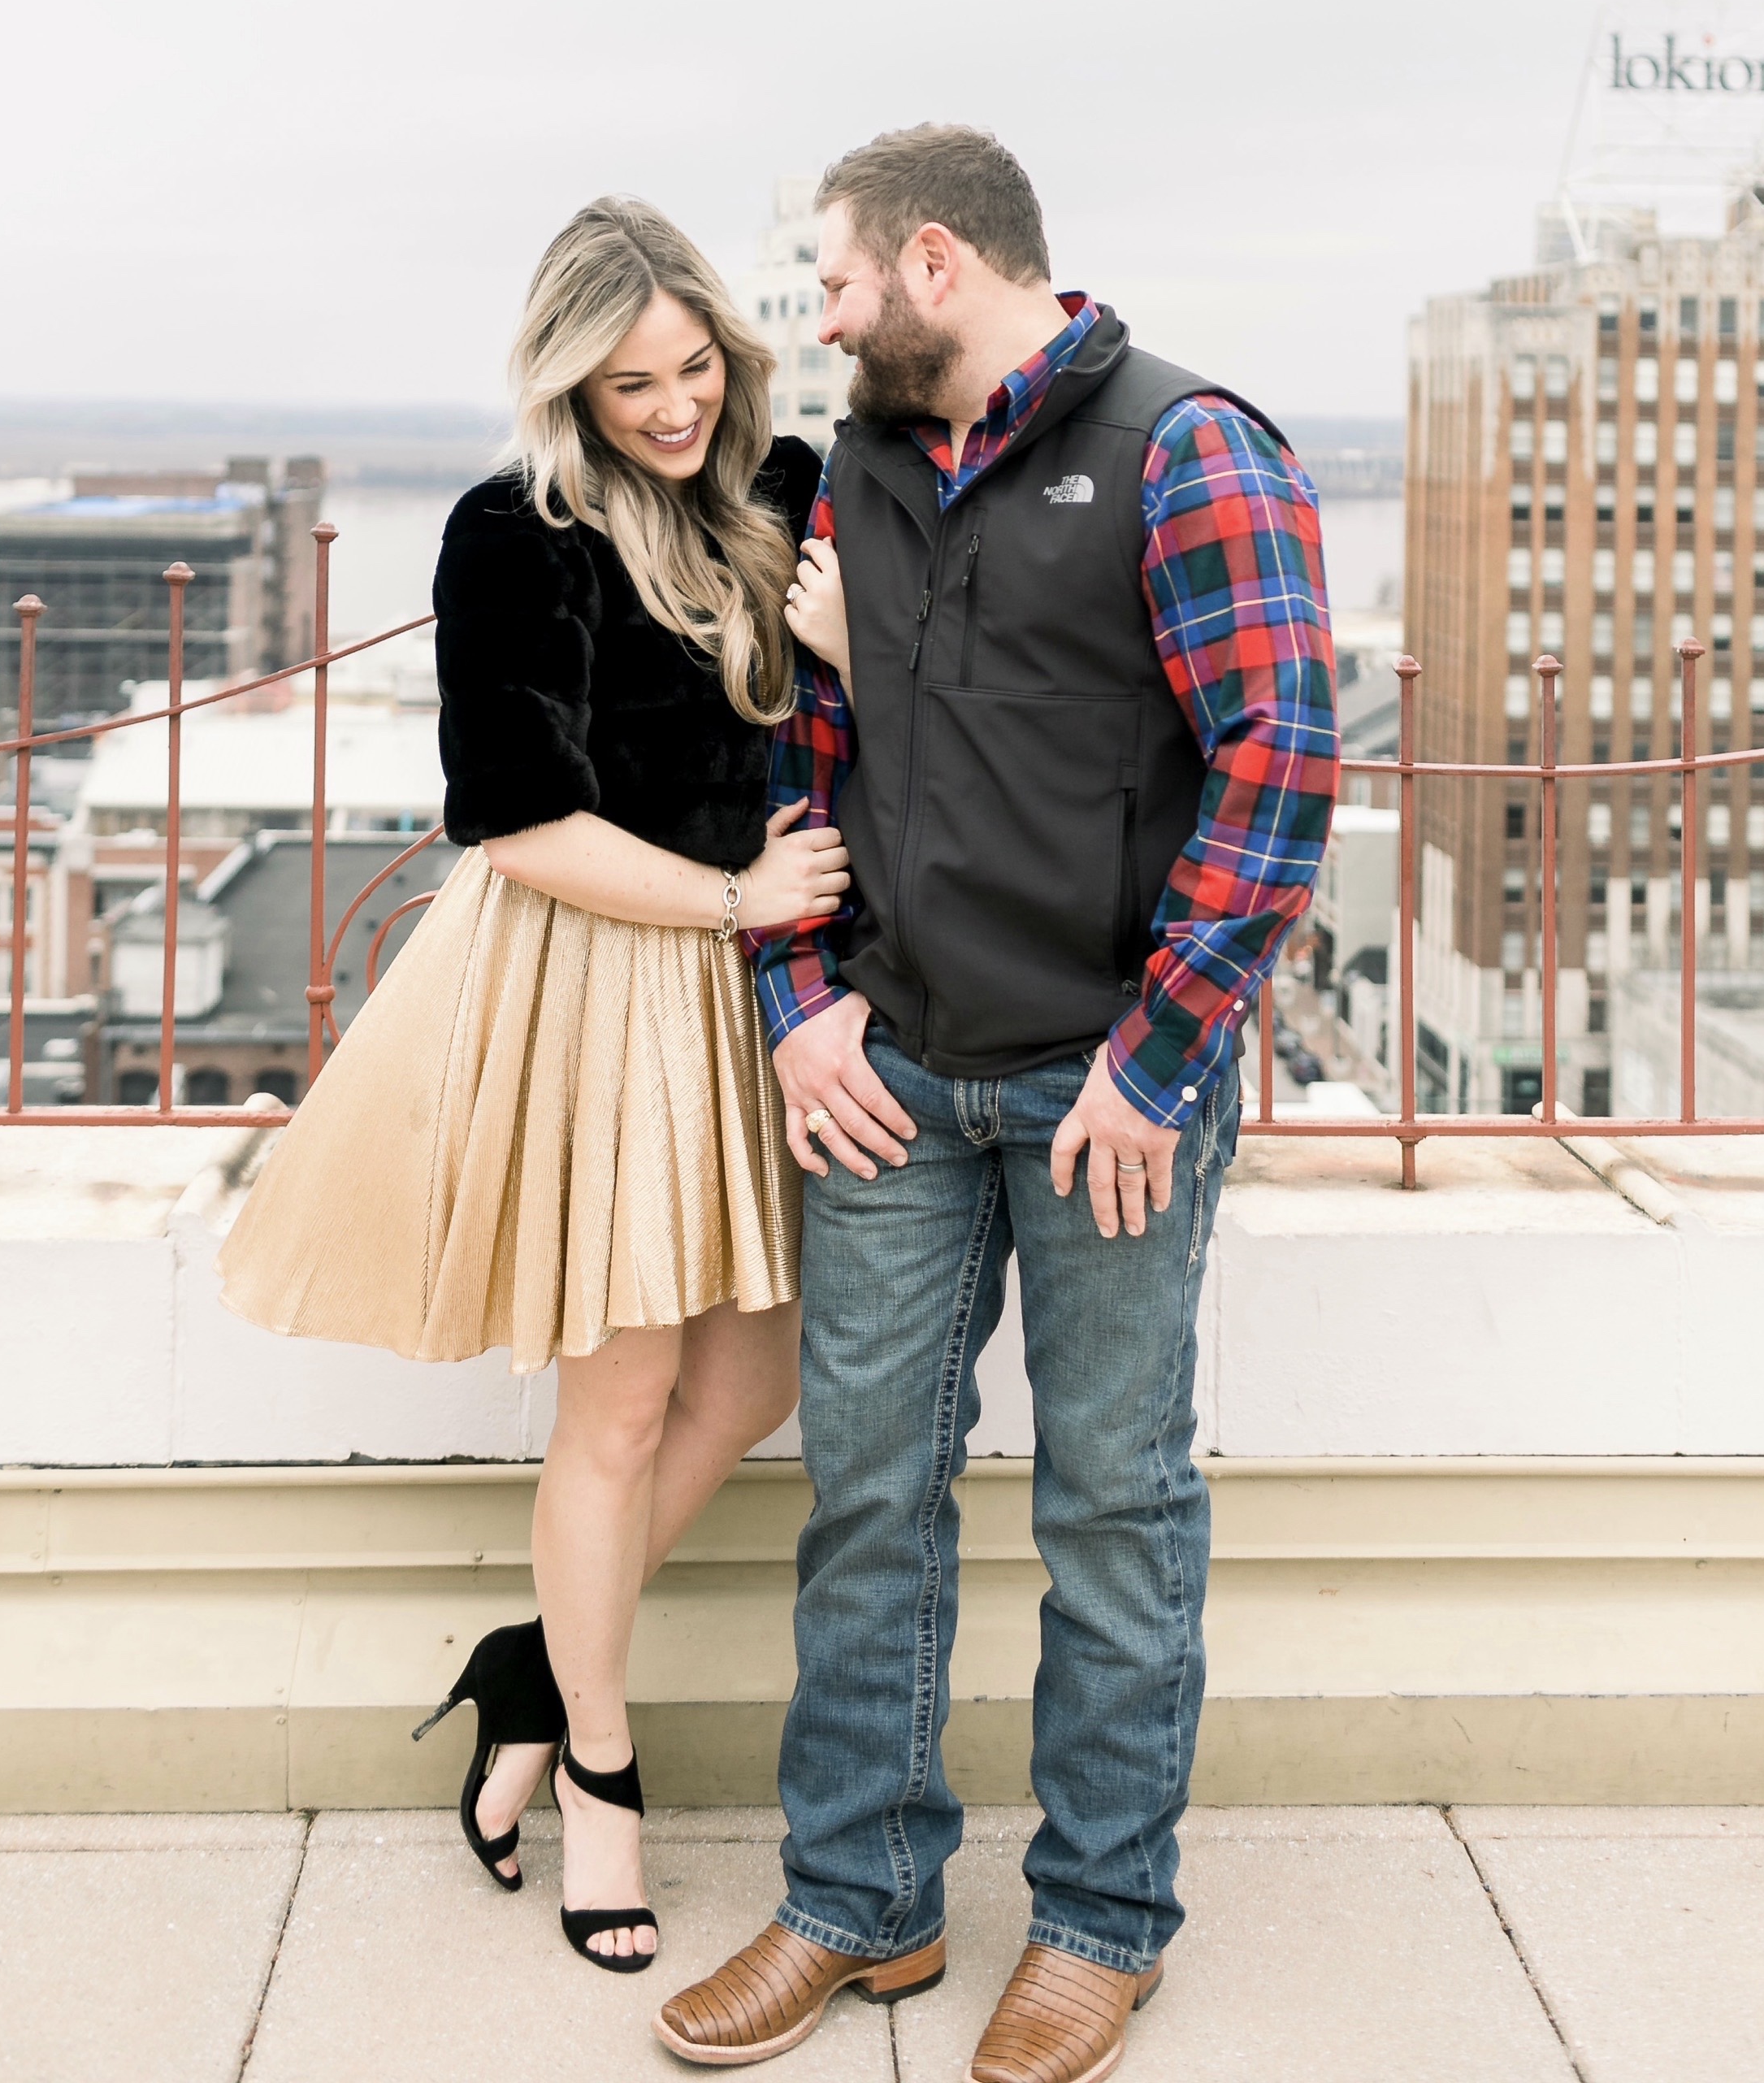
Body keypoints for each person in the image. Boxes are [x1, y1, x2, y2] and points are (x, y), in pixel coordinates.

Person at [658, 128, 1336, 2083]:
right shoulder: (855, 472)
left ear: (933, 260)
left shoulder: (1186, 445)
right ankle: (856, 1902)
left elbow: (1277, 773)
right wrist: (798, 1008)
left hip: (1102, 1084)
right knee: (867, 1493)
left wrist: (1156, 1055)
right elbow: (809, 759)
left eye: (834, 282)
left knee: (1110, 1505)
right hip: (891, 1072)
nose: (820, 318)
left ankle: (1101, 1924)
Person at [219, 197, 844, 1976]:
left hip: (757, 978)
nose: (668, 403)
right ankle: (598, 1761)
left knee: (756, 1371)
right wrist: (730, 894)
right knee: (624, 1396)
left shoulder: (781, 482)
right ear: (568, 374)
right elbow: (518, 811)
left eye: (693, 362)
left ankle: (518, 1663)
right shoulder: (517, 526)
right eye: (629, 376)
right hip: (603, 968)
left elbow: (845, 700)